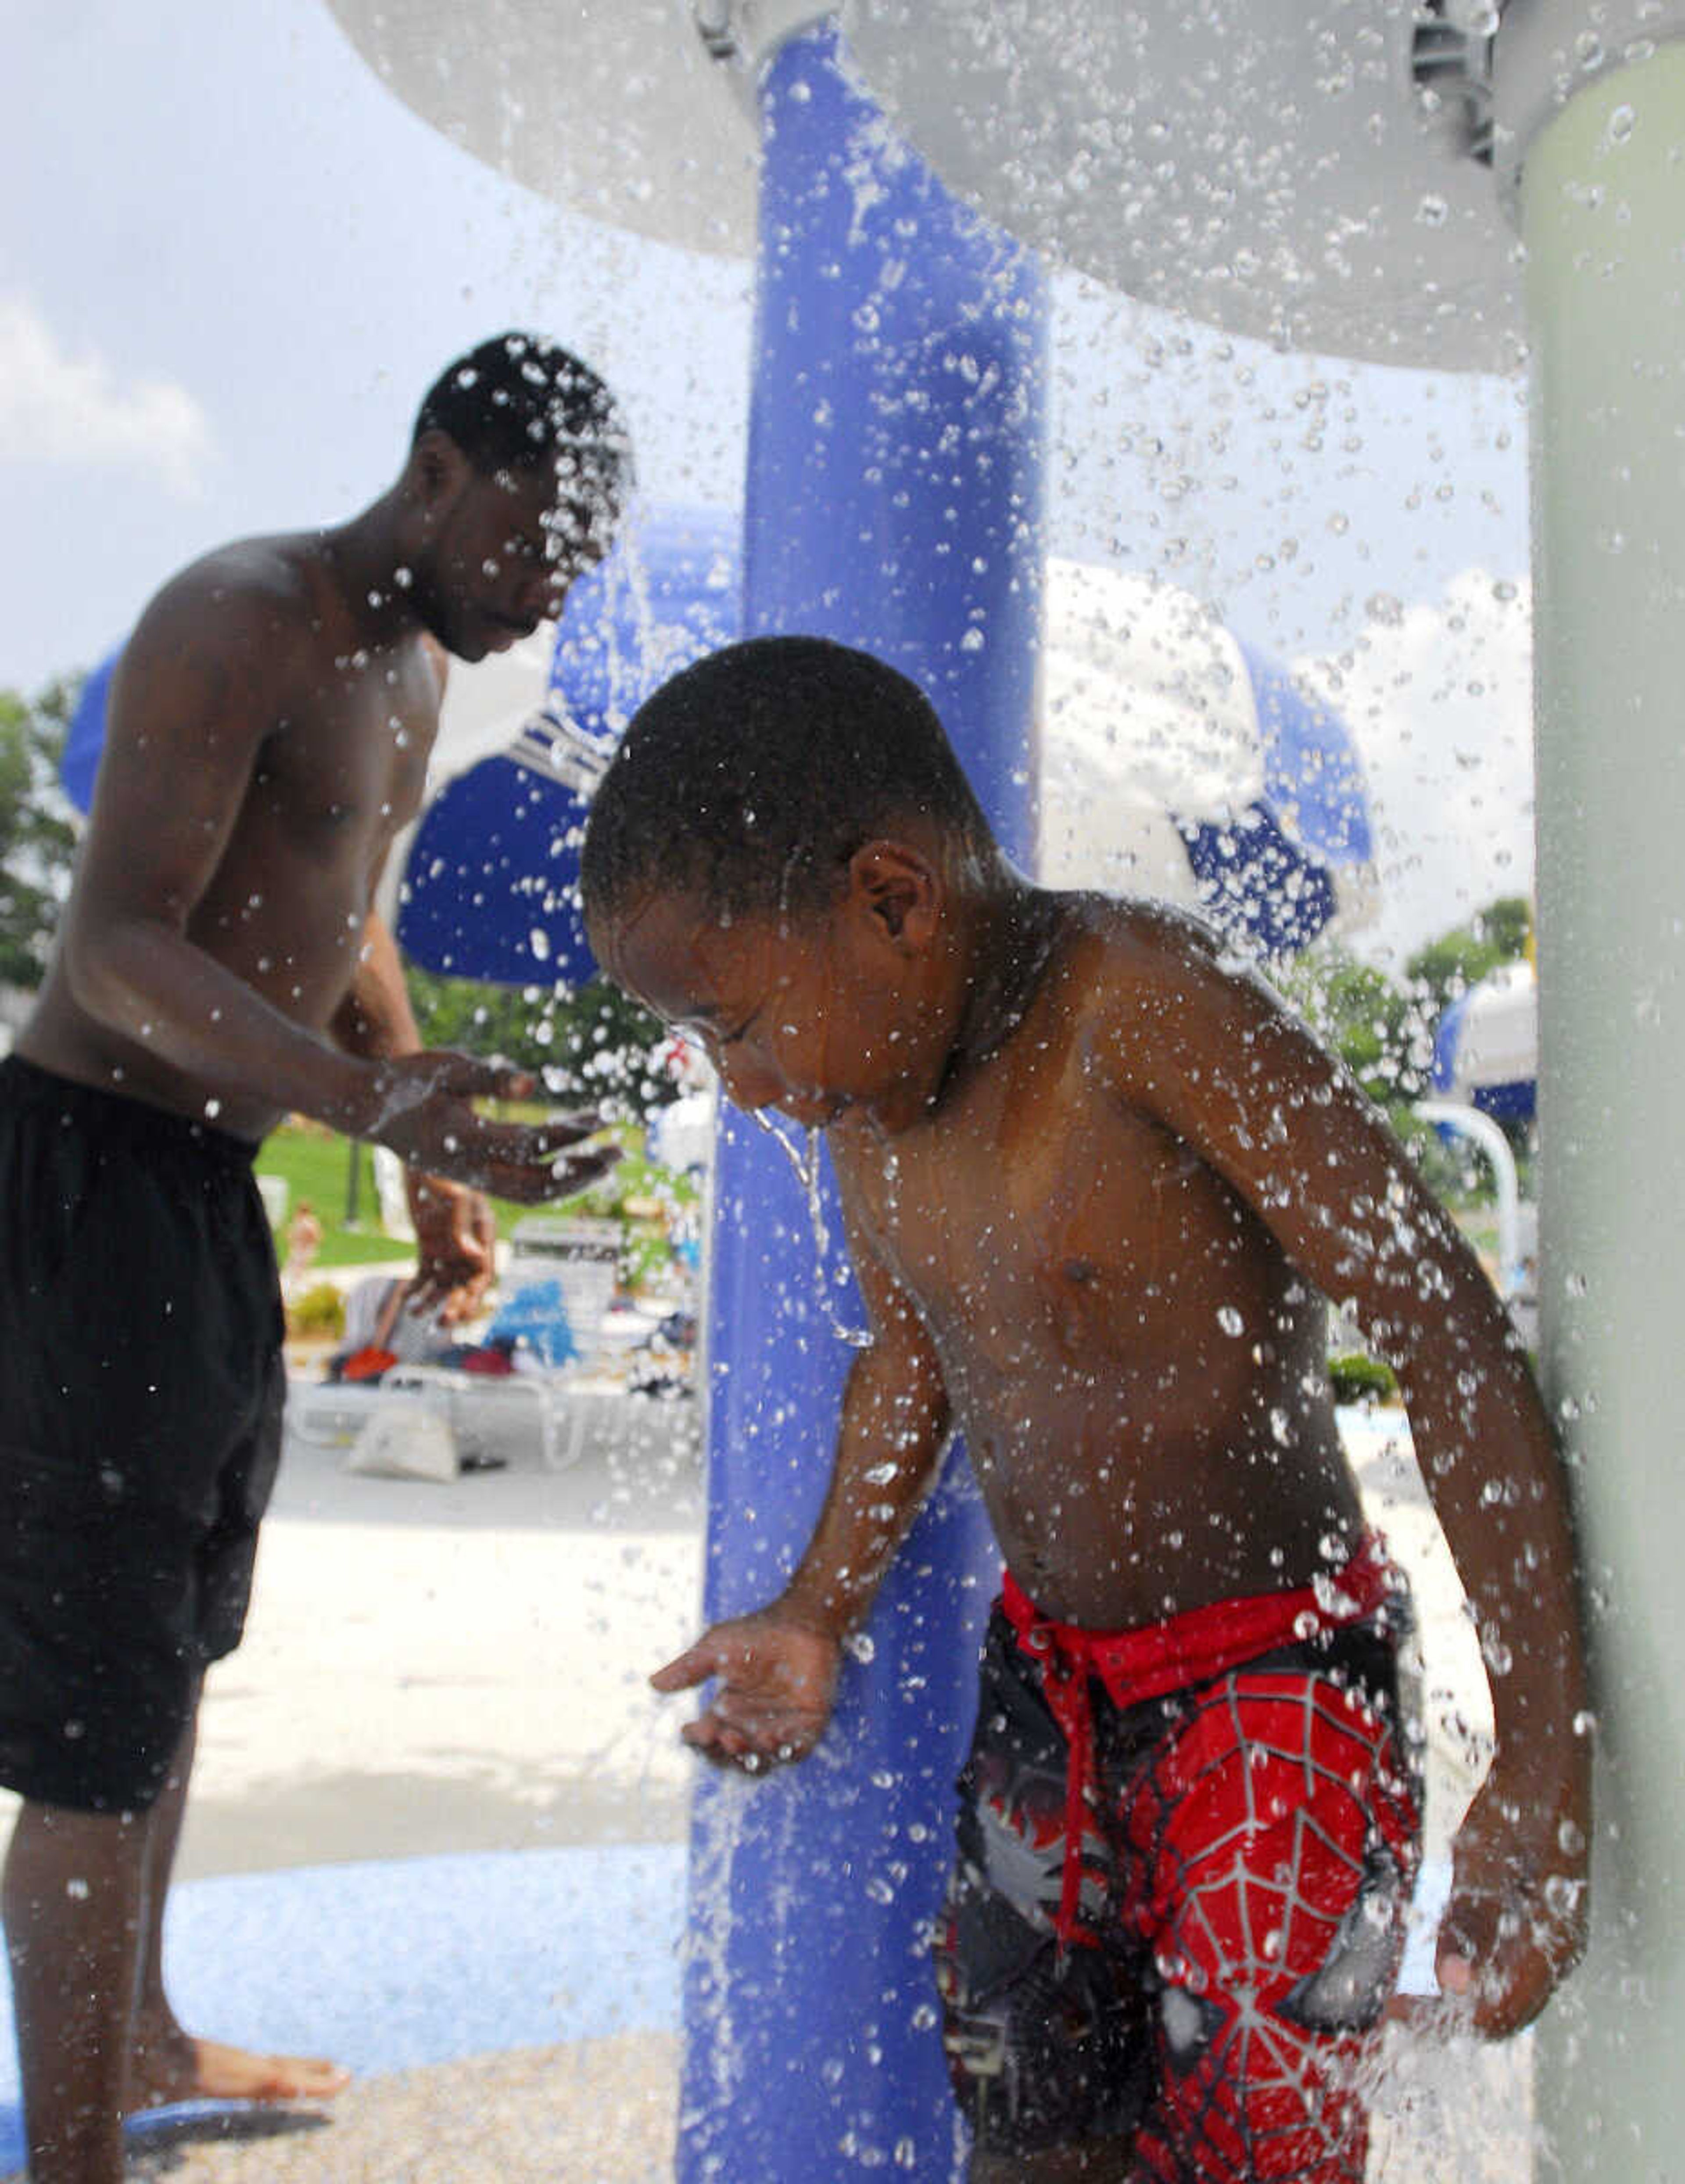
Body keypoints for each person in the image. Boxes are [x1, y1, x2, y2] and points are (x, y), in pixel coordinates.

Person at [579, 636, 1590, 2182]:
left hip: (1278, 1688)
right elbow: (911, 1360)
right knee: (1025, 2121)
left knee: (1262, 2139)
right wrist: (816, 1607)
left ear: (895, 901)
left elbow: (1439, 1326)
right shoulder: (875, 1109)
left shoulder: (1147, 1008)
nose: (746, 1086)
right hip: (1052, 1685)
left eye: (739, 1023)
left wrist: (1537, 1762)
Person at [0, 331, 631, 2184]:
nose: (540, 595)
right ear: (439, 467)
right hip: (87, 1173)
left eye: (568, 570)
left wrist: (404, 1107)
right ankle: (76, 2160)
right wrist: (378, 1116)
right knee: (98, 1704)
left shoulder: (419, 670)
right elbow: (118, 948)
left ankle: (143, 2033)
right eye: (524, 546)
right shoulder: (243, 616)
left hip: (210, 1189)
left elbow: (341, 917)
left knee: (177, 1650)